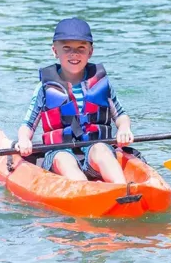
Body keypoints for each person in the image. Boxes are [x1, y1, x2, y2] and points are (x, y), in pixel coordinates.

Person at [15, 18, 133, 183]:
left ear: (90, 52)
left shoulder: (100, 82)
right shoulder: (44, 87)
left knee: (101, 150)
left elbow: (120, 115)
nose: (74, 54)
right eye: (66, 48)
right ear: (55, 51)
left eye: (81, 48)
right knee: (64, 159)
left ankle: (123, 191)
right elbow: (27, 125)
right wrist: (24, 140)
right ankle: (85, 190)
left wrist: (124, 128)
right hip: (59, 151)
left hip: (95, 146)